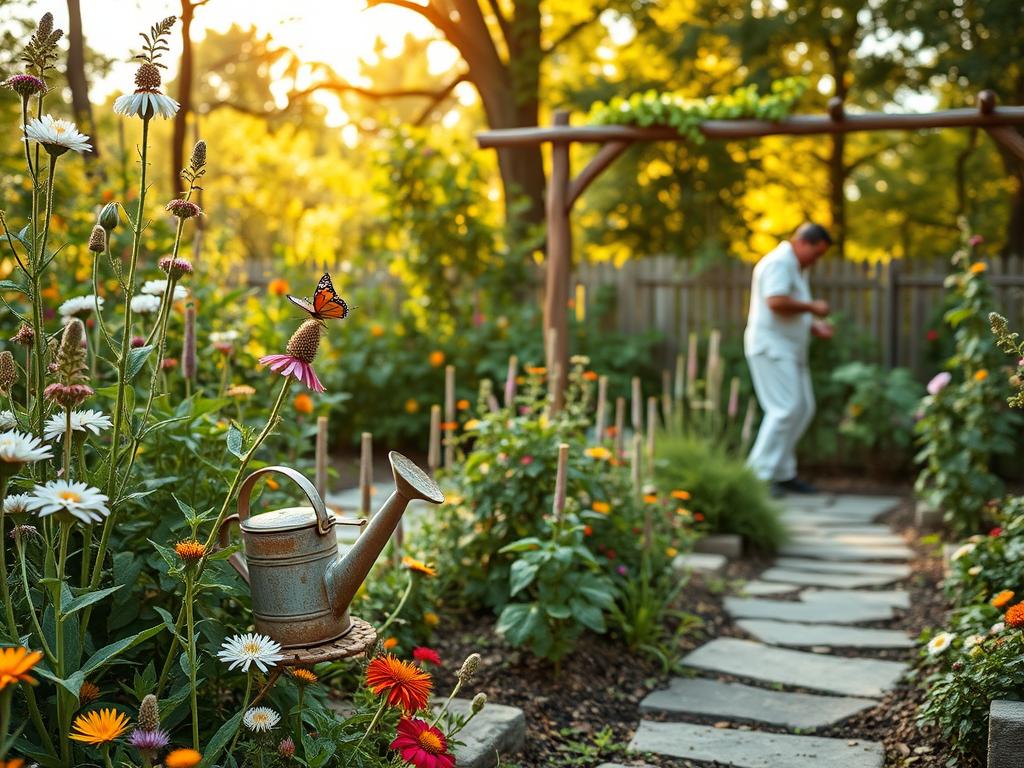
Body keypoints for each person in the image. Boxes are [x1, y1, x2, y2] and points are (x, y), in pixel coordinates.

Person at [744, 222, 834, 498]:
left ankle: (783, 473)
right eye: (816, 254)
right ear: (802, 242)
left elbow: (786, 308)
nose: (816, 261)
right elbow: (775, 302)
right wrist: (812, 307)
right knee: (784, 410)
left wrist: (812, 325)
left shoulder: (796, 267)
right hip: (771, 348)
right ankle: (756, 477)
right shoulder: (780, 263)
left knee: (803, 408)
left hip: (791, 350)